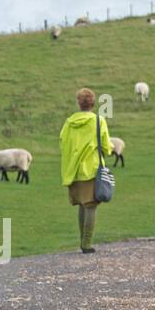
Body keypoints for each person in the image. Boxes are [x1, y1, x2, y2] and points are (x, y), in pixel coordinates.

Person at [59, 87, 113, 254]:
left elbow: (62, 142)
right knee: (90, 205)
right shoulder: (98, 121)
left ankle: (82, 241)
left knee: (82, 205)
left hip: (73, 169)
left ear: (78, 103)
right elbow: (106, 145)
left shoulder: (69, 122)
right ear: (93, 104)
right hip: (91, 168)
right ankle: (87, 243)